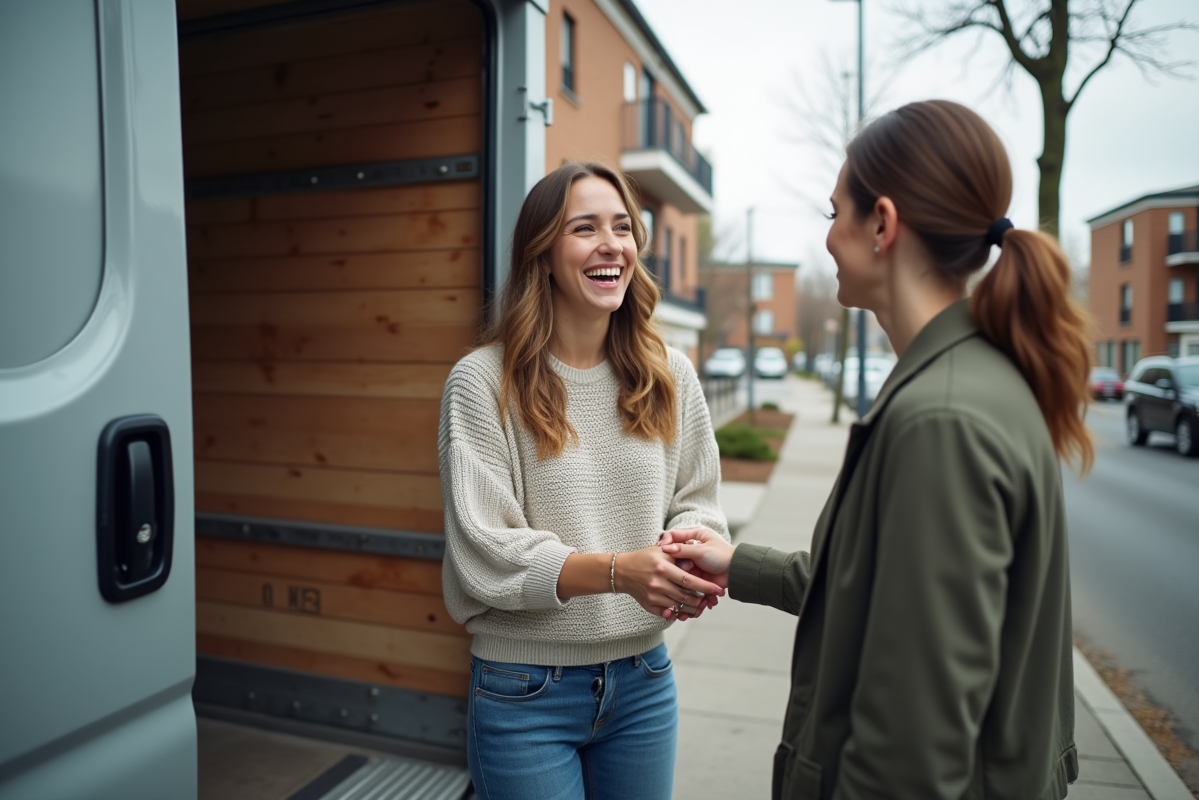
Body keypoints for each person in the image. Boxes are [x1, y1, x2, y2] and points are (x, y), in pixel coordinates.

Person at [660, 100, 1092, 800]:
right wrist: (737, 564)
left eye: (835, 213)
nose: (829, 237)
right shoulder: (967, 379)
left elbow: (910, 756)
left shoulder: (941, 421)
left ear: (882, 225)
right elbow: (879, 591)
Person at [438, 161, 729, 800]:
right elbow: (486, 552)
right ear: (542, 255)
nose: (611, 245)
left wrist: (681, 555)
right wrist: (623, 570)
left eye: (623, 227)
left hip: (645, 681)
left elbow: (698, 501)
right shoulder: (483, 382)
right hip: (524, 693)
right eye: (585, 228)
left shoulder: (669, 374)